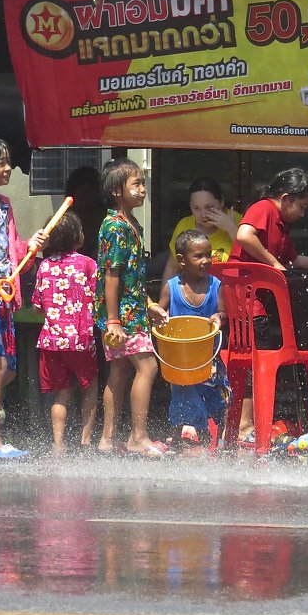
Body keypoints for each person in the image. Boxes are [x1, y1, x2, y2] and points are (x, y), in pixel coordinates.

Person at [228, 168, 308, 443]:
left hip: (256, 302)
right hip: (246, 301)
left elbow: (295, 261)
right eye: (303, 206)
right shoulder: (263, 208)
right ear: (285, 198)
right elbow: (244, 236)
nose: (303, 214)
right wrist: (273, 264)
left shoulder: (281, 226)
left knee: (263, 354)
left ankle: (252, 424)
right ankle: (245, 426)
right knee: (255, 359)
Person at [94, 158, 170, 458]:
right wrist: (113, 320)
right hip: (121, 315)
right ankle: (138, 437)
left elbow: (130, 276)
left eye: (142, 183)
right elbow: (111, 275)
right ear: (117, 191)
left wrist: (149, 304)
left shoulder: (129, 224)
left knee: (120, 370)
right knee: (148, 366)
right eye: (135, 184)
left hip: (129, 309)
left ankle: (107, 439)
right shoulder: (116, 226)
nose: (142, 189)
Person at [0, 136, 48, 459]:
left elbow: (12, 253)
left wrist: (30, 246)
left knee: (7, 370)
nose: (9, 167)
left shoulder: (4, 203)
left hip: (5, 299)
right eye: (1, 162)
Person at [32, 210, 99, 456]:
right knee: (89, 386)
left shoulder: (44, 267)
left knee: (61, 394)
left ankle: (58, 445)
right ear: (79, 238)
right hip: (81, 339)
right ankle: (85, 441)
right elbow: (98, 299)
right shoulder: (88, 264)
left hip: (51, 341)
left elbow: (38, 307)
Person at [157, 229, 229, 449]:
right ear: (181, 260)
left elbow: (224, 313)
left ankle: (217, 439)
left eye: (208, 254)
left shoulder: (215, 285)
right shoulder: (171, 288)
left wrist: (219, 317)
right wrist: (158, 315)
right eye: (198, 256)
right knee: (182, 395)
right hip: (181, 360)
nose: (206, 260)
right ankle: (179, 436)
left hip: (209, 357)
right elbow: (160, 313)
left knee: (217, 399)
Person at [160, 177, 242, 283]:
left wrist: (231, 228)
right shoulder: (185, 225)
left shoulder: (239, 221)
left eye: (209, 207)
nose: (203, 215)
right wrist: (165, 298)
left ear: (221, 202)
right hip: (195, 293)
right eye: (196, 208)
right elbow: (172, 268)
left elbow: (251, 260)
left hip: (231, 290)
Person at [65, 165, 104, 259]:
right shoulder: (64, 221)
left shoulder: (106, 219)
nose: (86, 203)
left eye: (89, 197)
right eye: (82, 197)